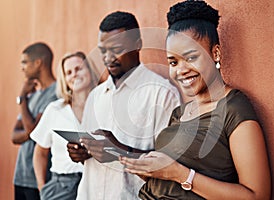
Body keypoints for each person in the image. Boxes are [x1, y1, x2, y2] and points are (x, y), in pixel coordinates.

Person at [120, 1, 271, 199]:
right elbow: (173, 178)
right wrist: (152, 172)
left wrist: (180, 174)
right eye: (173, 62)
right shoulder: (179, 113)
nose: (181, 70)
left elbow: (257, 196)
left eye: (191, 58)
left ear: (215, 53)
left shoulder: (234, 110)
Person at [67, 11, 181, 199]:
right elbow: (90, 147)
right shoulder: (96, 96)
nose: (108, 58)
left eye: (116, 49)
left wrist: (118, 150)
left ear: (138, 44)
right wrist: (81, 153)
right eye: (103, 50)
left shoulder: (163, 95)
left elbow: (169, 165)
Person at [30, 52, 98, 200]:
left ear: (90, 71)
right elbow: (40, 153)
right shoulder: (55, 109)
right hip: (61, 187)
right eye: (68, 72)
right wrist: (42, 189)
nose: (74, 74)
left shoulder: (104, 105)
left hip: (97, 184)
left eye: (79, 68)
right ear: (65, 80)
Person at [11, 42, 57, 200]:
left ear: (38, 63)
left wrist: (22, 97)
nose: (22, 67)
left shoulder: (55, 94)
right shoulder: (33, 95)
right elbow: (14, 136)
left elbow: (33, 131)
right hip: (20, 176)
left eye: (25, 62)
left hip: (38, 179)